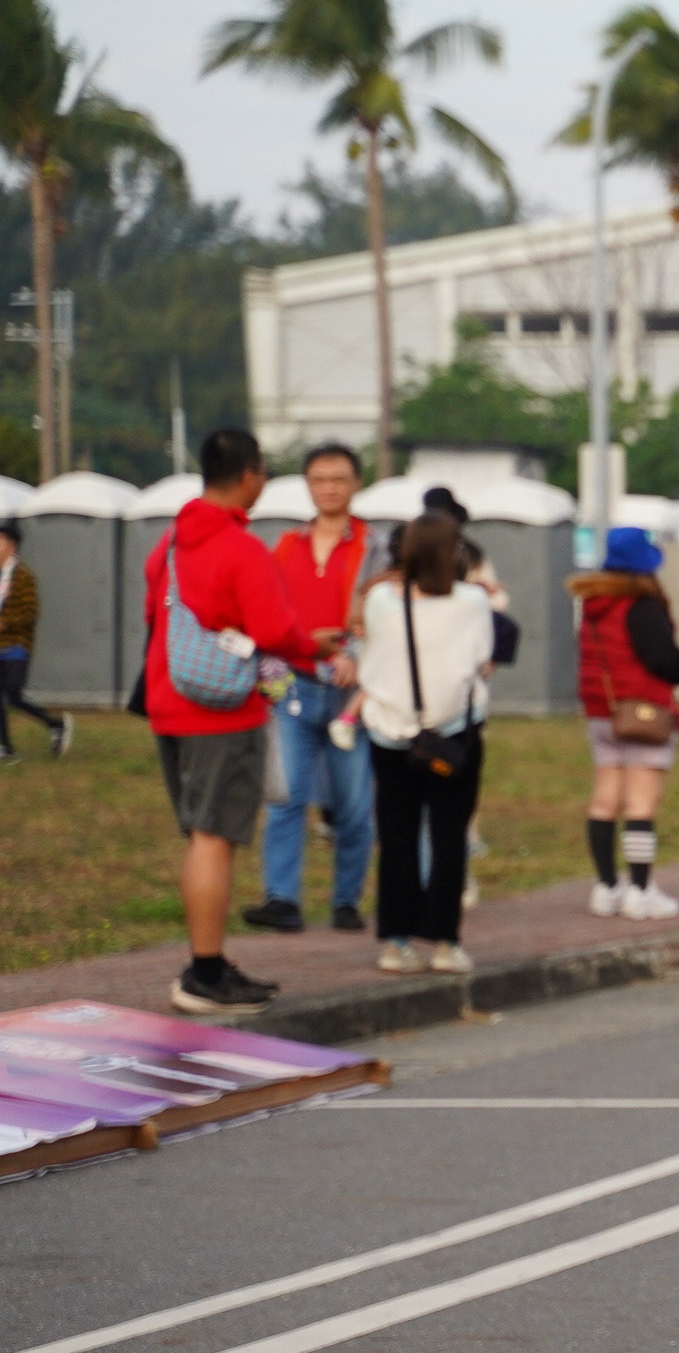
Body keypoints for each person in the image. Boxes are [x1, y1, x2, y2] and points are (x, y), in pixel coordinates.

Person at [144, 429, 314, 1013]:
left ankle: (209, 963)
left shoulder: (171, 541)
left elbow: (152, 610)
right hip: (223, 710)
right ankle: (205, 973)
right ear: (248, 476)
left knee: (202, 836)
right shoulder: (242, 549)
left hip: (170, 701)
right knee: (214, 840)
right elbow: (274, 631)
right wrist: (314, 647)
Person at [239, 443, 373, 933]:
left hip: (350, 694)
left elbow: (381, 612)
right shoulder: (286, 545)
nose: (329, 488)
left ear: (356, 483)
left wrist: (357, 658)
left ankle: (346, 901)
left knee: (353, 804)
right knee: (284, 794)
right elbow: (270, 617)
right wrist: (270, 688)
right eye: (319, 479)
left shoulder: (374, 546)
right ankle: (282, 899)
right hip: (292, 684)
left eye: (338, 479)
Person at [355, 513, 494, 974]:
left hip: (390, 733)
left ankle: (396, 942)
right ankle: (445, 942)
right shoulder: (472, 602)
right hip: (454, 736)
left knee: (396, 838)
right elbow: (482, 659)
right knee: (449, 837)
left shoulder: (381, 601)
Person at [574, 526, 679, 920]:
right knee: (641, 803)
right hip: (643, 712)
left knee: (604, 800)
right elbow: (663, 661)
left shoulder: (594, 605)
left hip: (601, 711)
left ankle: (606, 887)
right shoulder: (641, 607)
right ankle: (640, 891)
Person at [0, 519, 73, 762]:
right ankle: (5, 747)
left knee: (14, 696)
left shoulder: (23, 576)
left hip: (16, 645)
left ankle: (55, 724)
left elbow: (30, 612)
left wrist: (5, 623)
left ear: (11, 545)